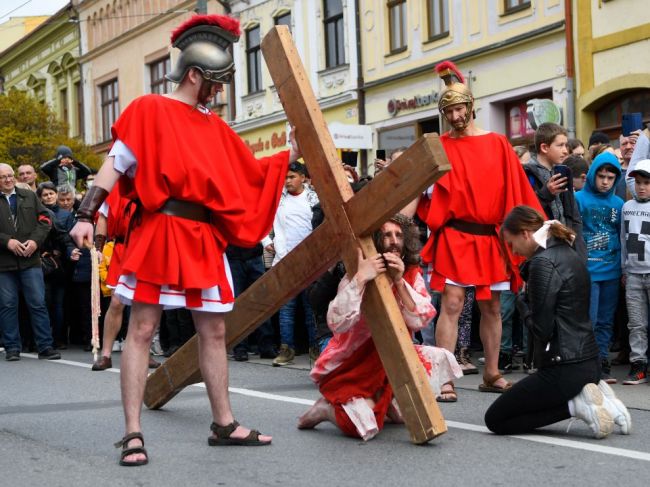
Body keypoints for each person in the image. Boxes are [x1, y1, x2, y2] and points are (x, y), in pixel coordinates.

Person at [70, 14, 300, 466]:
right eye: (214, 83)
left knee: (214, 330)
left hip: (200, 238)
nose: (218, 93)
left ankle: (224, 422)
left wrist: (289, 153)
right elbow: (113, 166)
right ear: (194, 74)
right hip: (160, 233)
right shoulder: (147, 110)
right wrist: (84, 213)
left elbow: (248, 174)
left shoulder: (215, 127)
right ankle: (133, 433)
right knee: (141, 329)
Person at [409, 60, 543, 401]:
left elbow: (518, 191)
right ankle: (445, 378)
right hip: (455, 235)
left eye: (459, 109)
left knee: (493, 307)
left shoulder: (497, 144)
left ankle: (491, 372)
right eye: (449, 111)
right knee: (451, 303)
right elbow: (417, 190)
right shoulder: (438, 146)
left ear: (471, 107)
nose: (455, 117)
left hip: (491, 237)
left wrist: (537, 231)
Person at [297, 214, 461, 440]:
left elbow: (420, 320)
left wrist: (399, 281)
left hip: (393, 358)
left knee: (436, 364)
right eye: (386, 235)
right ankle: (326, 409)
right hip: (354, 364)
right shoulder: (357, 272)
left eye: (399, 235)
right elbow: (337, 321)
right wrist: (362, 278)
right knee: (360, 427)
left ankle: (387, 402)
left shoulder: (411, 275)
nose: (394, 241)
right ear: (375, 240)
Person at [485, 205, 630, 438]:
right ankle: (600, 399)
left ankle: (576, 405)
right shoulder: (567, 250)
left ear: (525, 233)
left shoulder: (543, 262)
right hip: (588, 362)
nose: (513, 251)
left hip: (564, 368)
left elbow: (542, 330)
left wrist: (522, 302)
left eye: (512, 244)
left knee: (495, 419)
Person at [0, 163, 60, 361]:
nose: (8, 179)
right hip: (4, 263)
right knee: (8, 305)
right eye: (3, 177)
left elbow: (45, 220)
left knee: (37, 304)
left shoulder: (29, 196)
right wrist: (7, 241)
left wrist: (35, 241)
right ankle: (12, 348)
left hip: (30, 260)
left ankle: (45, 346)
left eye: (10, 176)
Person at [263, 162, 319, 366]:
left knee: (310, 308)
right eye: (285, 178)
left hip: (310, 262)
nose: (287, 181)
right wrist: (267, 242)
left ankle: (315, 349)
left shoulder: (314, 198)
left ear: (303, 177)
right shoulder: (278, 200)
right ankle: (286, 350)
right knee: (286, 310)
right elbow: (262, 220)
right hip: (284, 261)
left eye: (292, 177)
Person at [575, 152, 624, 384]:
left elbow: (622, 236)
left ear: (616, 179)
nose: (605, 181)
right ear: (592, 174)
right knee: (590, 320)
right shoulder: (579, 199)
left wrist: (623, 269)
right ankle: (587, 363)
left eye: (610, 177)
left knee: (606, 320)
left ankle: (603, 361)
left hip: (612, 270)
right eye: (601, 176)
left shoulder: (619, 204)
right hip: (588, 271)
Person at [523, 122, 587, 260]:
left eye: (566, 145)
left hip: (565, 247)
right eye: (560, 145)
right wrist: (546, 193)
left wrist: (580, 254)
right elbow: (525, 213)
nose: (565, 150)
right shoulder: (527, 173)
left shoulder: (562, 171)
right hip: (541, 251)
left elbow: (573, 216)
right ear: (544, 147)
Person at [620, 159, 650, 385]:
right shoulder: (626, 207)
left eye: (647, 182)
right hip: (632, 274)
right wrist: (624, 268)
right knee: (636, 323)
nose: (641, 187)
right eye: (638, 182)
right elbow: (623, 239)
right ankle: (638, 364)